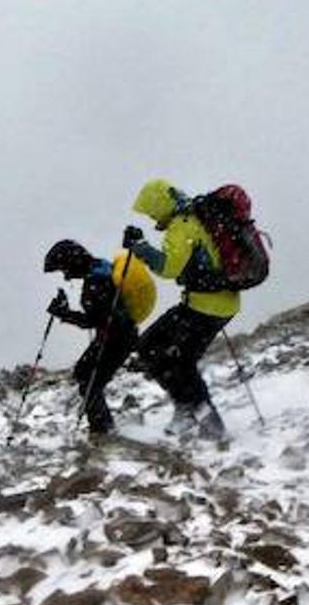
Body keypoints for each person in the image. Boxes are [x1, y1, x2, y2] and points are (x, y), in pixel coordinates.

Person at [124, 178, 238, 440]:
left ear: (161, 205)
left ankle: (203, 418)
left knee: (159, 351)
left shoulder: (181, 225)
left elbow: (168, 267)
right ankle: (194, 411)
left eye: (152, 211)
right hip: (220, 302)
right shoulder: (196, 219)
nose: (152, 217)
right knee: (171, 355)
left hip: (205, 305)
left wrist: (140, 248)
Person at [43, 239, 149, 436]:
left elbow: (93, 320)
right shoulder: (100, 270)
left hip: (116, 339)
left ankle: (102, 430)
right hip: (119, 336)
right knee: (85, 373)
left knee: (88, 380)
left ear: (73, 263)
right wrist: (66, 313)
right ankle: (102, 426)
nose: (66, 276)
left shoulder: (96, 281)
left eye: (64, 269)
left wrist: (64, 313)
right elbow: (100, 316)